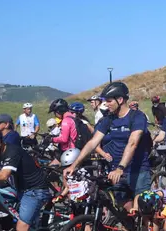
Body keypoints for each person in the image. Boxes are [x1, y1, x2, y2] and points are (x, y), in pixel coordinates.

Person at [64, 81, 153, 210]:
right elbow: (93, 142)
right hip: (116, 173)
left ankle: (149, 228)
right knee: (124, 208)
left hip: (138, 171)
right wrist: (74, 165)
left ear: (120, 100)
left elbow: (132, 143)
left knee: (142, 210)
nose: (106, 104)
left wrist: (120, 167)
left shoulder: (137, 117)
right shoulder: (109, 119)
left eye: (109, 100)